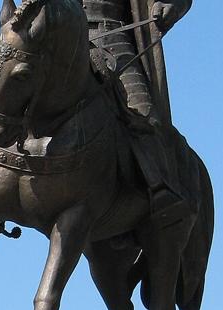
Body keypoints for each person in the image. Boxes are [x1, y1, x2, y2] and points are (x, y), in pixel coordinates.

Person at [85, 0, 192, 224]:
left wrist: (173, 4)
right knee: (12, 87)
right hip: (58, 40)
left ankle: (160, 187)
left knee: (143, 114)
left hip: (112, 37)